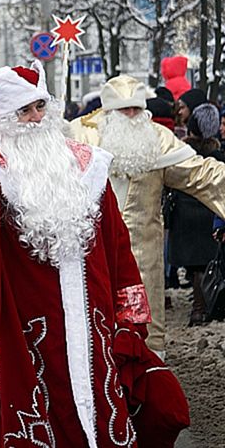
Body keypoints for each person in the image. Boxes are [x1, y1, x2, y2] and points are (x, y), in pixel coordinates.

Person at [0, 63, 190, 447]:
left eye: (39, 108)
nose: (35, 119)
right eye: (24, 111)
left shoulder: (88, 166)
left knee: (103, 422)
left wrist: (131, 324)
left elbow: (118, 249)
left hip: (94, 328)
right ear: (1, 118)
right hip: (26, 333)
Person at [69, 75, 225, 355]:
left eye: (136, 109)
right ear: (108, 111)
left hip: (143, 258)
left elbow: (201, 175)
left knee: (145, 340)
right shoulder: (80, 136)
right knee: (94, 337)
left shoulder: (157, 140)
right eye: (123, 109)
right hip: (92, 258)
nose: (131, 115)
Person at [166, 104, 225, 325]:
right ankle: (203, 307)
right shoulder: (218, 155)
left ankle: (199, 308)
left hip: (185, 212)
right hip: (209, 212)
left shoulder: (183, 153)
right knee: (205, 262)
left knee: (195, 265)